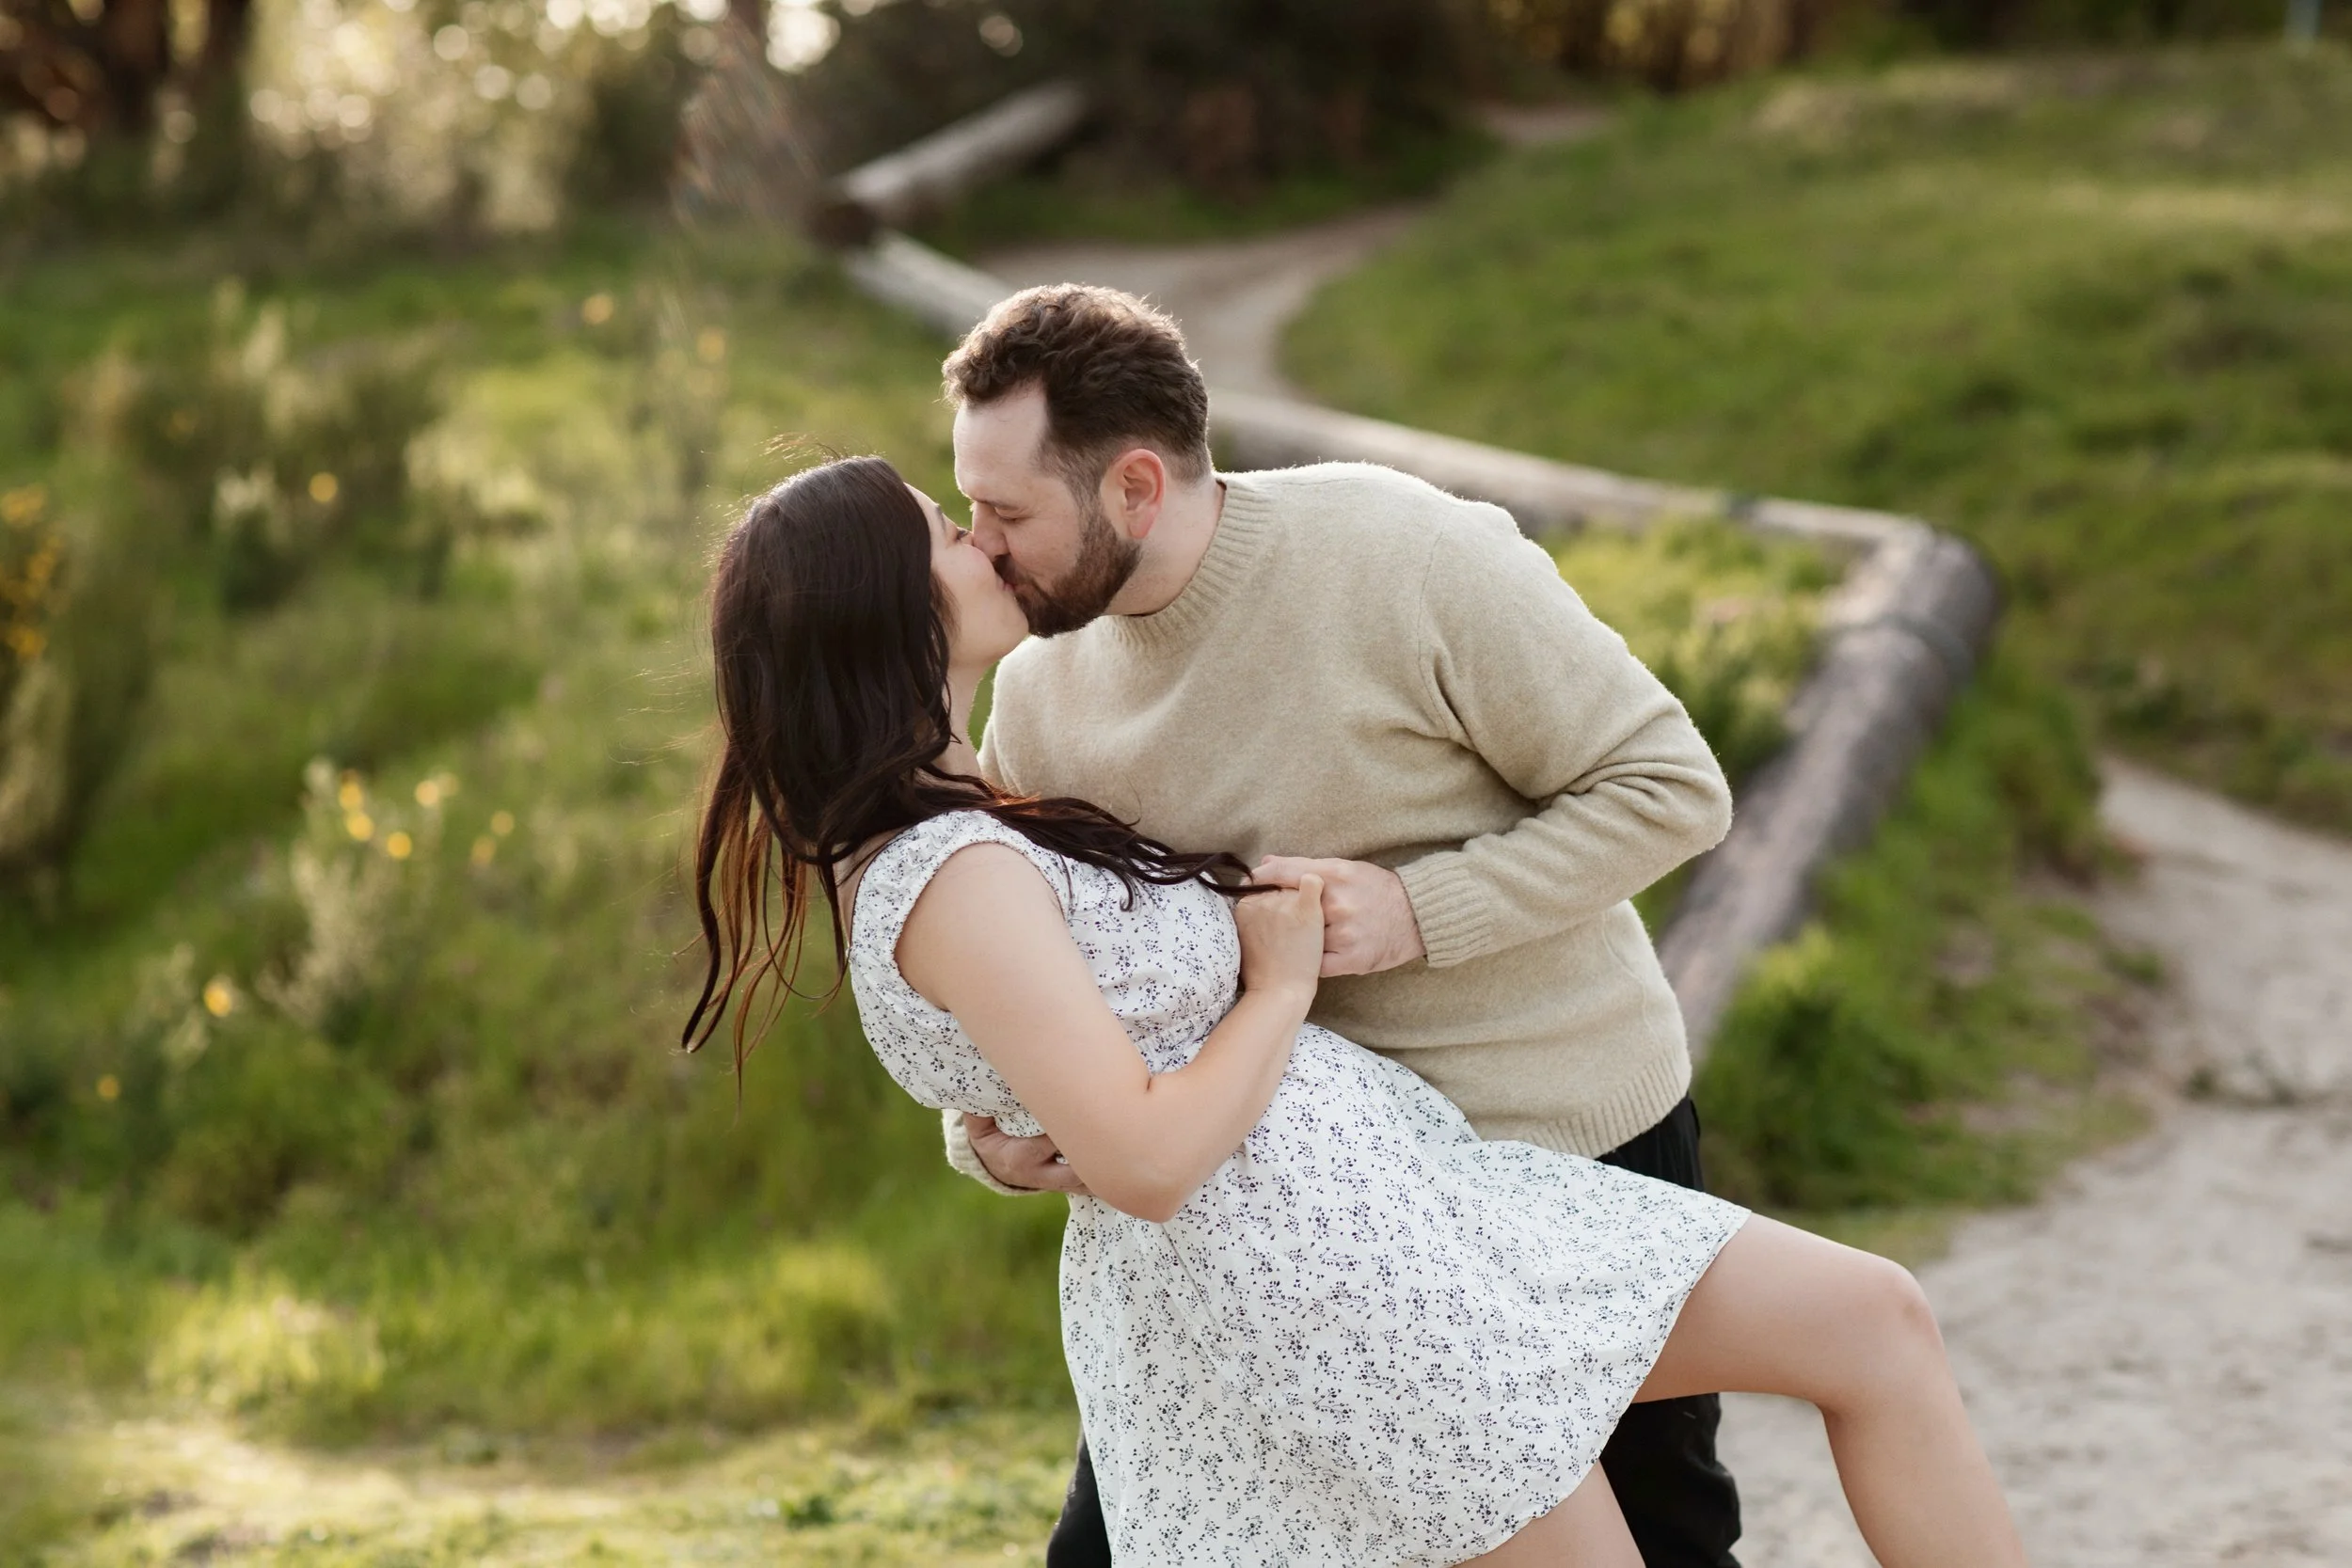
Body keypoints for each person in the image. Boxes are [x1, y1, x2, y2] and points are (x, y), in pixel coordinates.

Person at [681, 451, 2030, 1567]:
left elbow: (1032, 1052)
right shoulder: (953, 861)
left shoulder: (973, 802)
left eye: (986, 512)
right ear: (886, 608)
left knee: (1875, 1320)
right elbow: (1146, 1158)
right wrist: (1278, 981)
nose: (981, 542)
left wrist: (987, 1129)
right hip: (1330, 1292)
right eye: (945, 532)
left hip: (1410, 1213)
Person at [949, 283, 1742, 1566]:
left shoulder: (1405, 552)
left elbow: (1671, 787)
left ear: (1135, 488)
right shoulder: (1037, 696)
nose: (980, 547)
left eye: (1008, 514)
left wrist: (1416, 912)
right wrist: (986, 1134)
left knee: (1663, 1544)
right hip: (1296, 1223)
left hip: (1562, 1149)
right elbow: (1021, 960)